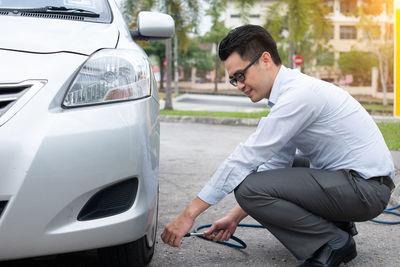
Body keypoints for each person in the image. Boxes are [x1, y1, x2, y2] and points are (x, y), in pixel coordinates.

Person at [161, 25, 395, 267]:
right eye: (233, 80)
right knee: (270, 173)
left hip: (365, 188)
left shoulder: (298, 95)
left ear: (265, 60)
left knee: (247, 185)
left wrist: (189, 215)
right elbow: (275, 164)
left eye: (241, 75)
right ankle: (337, 225)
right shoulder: (287, 94)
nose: (239, 85)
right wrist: (233, 218)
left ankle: (333, 242)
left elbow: (247, 157)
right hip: (358, 183)